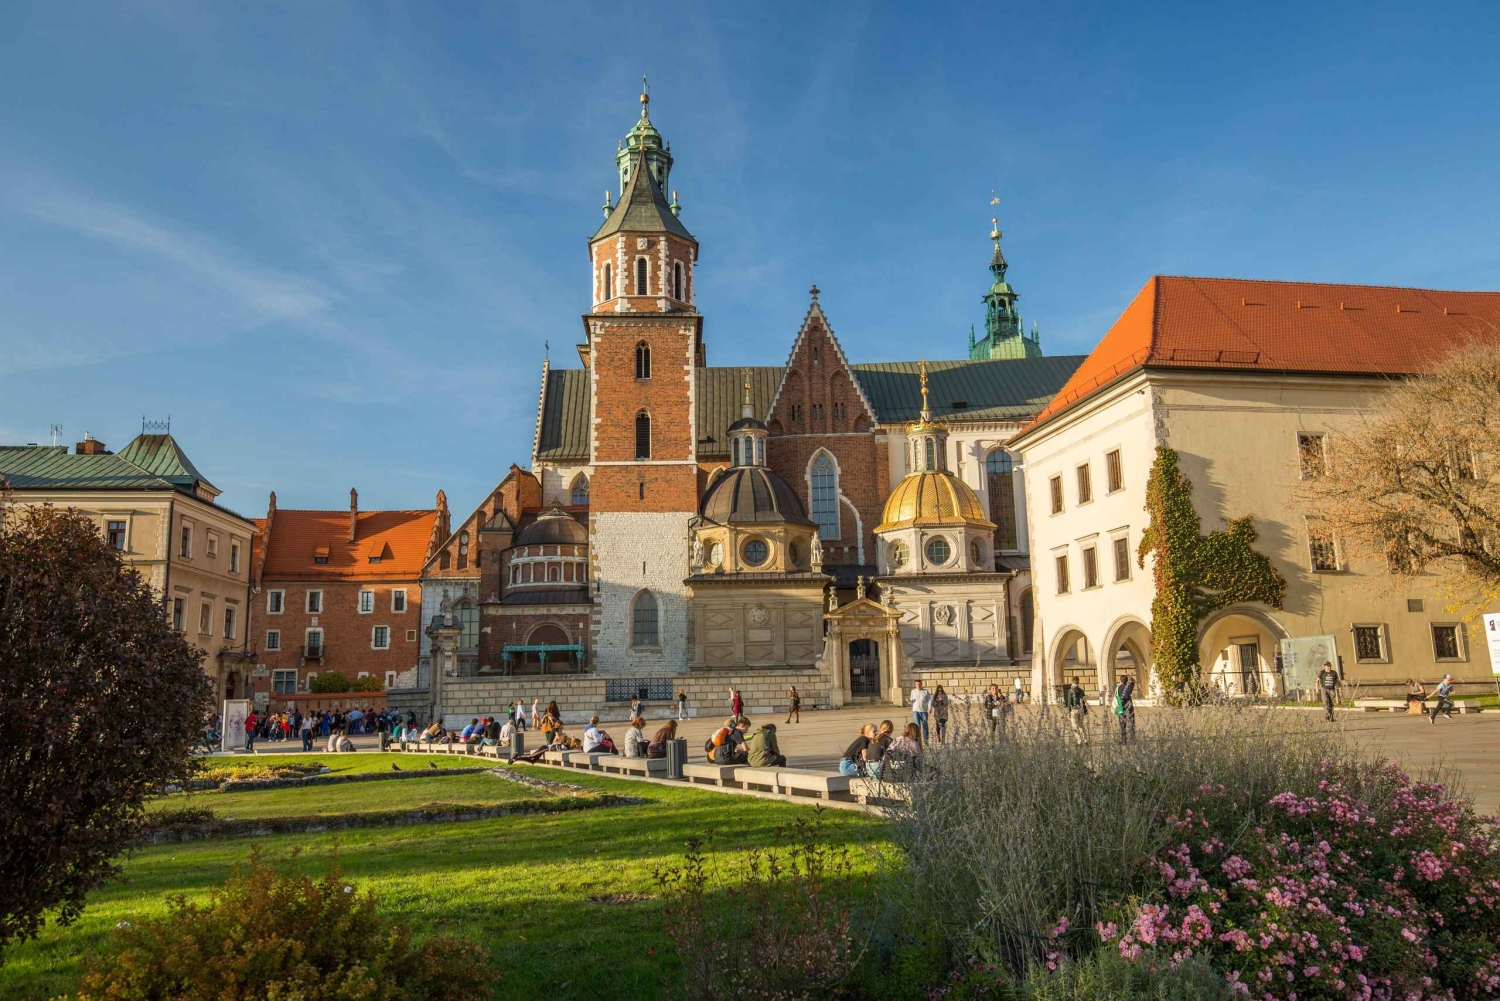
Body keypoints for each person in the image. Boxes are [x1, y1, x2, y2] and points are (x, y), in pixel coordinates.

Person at [1114, 674, 1137, 744]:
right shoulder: (1129, 686)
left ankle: (1123, 741)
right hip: (1130, 707)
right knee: (1131, 724)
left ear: (1120, 680)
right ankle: (1133, 740)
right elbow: (1133, 681)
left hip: (1122, 708)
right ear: (1127, 681)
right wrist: (1130, 677)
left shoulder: (1119, 687)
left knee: (1122, 725)